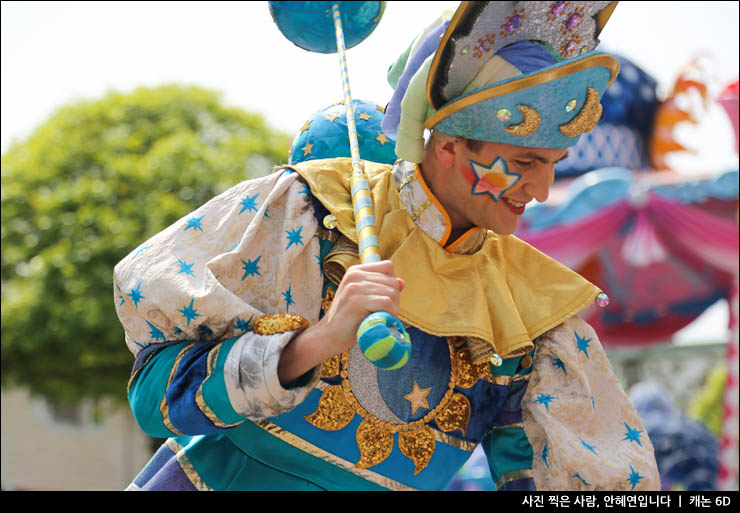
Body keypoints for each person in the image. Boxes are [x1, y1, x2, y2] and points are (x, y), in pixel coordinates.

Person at [115, 1, 659, 491]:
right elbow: (154, 398)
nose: (541, 191)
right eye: (523, 164)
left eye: (551, 167)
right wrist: (320, 340)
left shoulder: (532, 307)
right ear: (447, 146)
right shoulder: (311, 211)